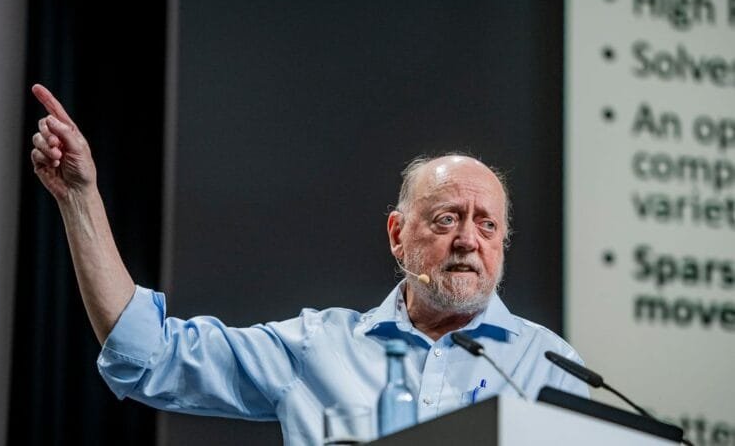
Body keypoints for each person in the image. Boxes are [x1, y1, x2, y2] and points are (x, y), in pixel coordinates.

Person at [29, 84, 588, 445]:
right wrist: (80, 199)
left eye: (487, 225)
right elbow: (150, 356)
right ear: (398, 236)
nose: (469, 239)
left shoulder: (549, 365)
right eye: (446, 219)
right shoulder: (318, 347)